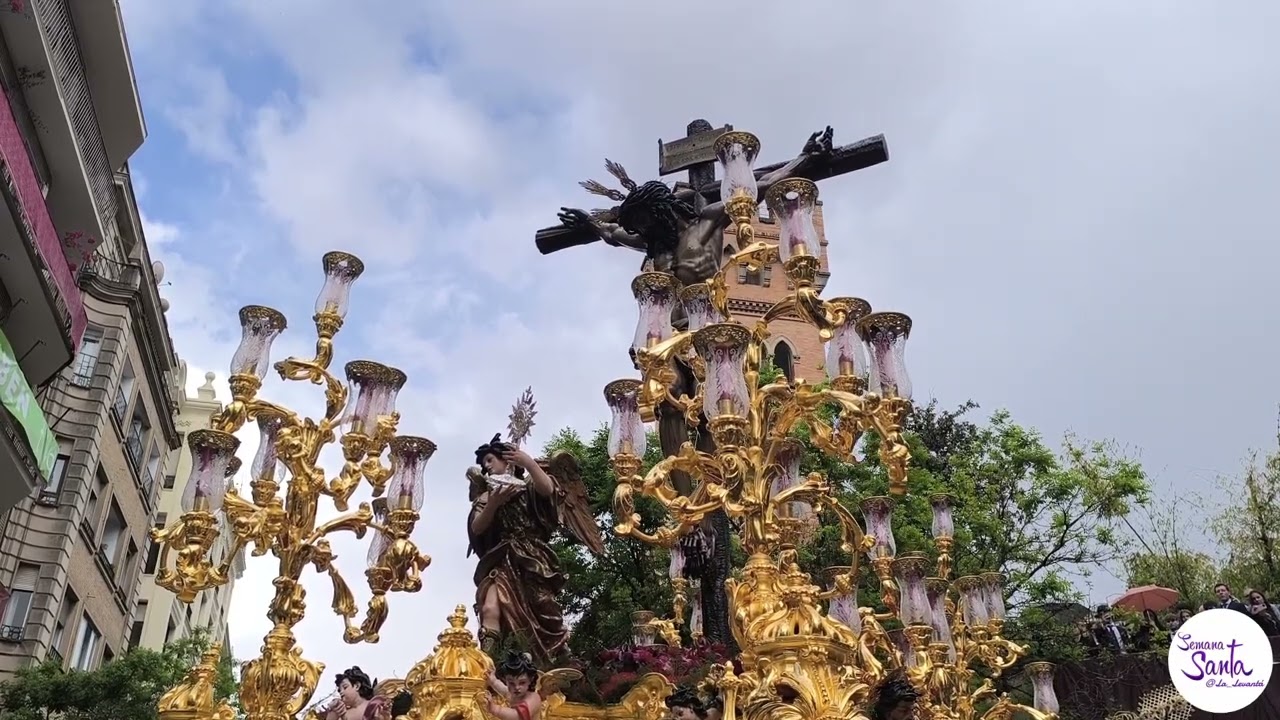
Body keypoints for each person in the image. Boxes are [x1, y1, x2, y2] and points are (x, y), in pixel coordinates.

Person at [467, 433, 603, 662]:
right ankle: (487, 664)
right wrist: (493, 504)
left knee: (542, 603)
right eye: (483, 464)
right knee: (490, 608)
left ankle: (559, 654)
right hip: (501, 559)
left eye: (490, 460)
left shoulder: (527, 487)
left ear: (507, 460)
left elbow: (548, 490)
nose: (486, 466)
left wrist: (529, 462)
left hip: (533, 556)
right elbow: (477, 528)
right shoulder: (486, 496)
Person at [486, 653, 542, 720]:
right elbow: (504, 690)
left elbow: (517, 716)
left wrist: (495, 709)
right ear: (505, 680)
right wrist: (493, 681)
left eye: (522, 683)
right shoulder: (514, 695)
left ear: (530, 680)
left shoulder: (533, 698)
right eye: (511, 683)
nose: (517, 687)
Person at [323, 667, 387, 720]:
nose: (341, 692)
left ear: (357, 686)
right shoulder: (342, 713)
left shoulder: (374, 706)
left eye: (345, 687)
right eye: (339, 690)